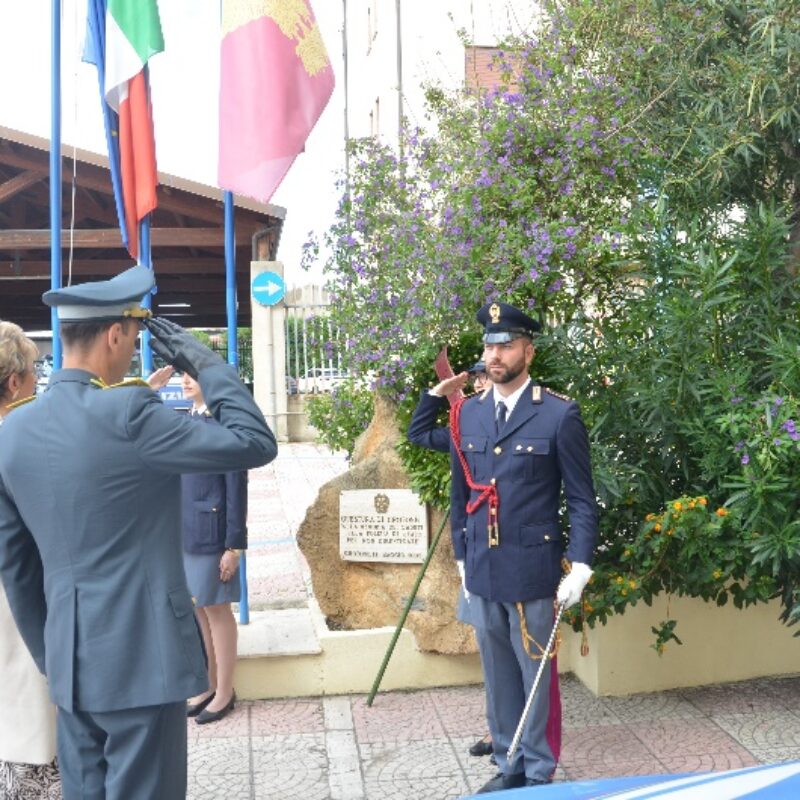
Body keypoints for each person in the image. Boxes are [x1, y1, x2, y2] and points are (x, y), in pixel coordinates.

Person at [0, 265, 277, 800]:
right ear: (114, 334)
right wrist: (201, 360)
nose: (131, 349)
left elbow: (17, 567)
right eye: (131, 336)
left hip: (70, 668)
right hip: (143, 662)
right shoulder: (130, 412)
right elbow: (255, 441)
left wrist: (53, 660)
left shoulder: (15, 431)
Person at [450, 301, 597, 793]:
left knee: (536, 674)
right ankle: (507, 761)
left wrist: (580, 564)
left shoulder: (557, 414)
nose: (495, 355)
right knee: (497, 674)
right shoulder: (468, 413)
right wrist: (460, 554)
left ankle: (537, 771)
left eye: (506, 345)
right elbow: (460, 492)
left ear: (528, 352)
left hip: (532, 567)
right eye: (489, 346)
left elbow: (581, 498)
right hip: (482, 566)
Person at [407, 360, 496, 760]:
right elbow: (419, 434)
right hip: (475, 548)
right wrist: (438, 393)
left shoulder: (527, 422)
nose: (478, 384)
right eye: (476, 378)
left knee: (515, 646)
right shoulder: (464, 427)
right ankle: (499, 726)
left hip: (514, 549)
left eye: (484, 376)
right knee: (489, 642)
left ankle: (516, 730)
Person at [0, 322, 61, 799]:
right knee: (33, 726)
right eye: (36, 373)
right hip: (19, 605)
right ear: (15, 381)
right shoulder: (21, 443)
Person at [180, 372, 247, 724]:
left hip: (213, 533)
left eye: (193, 375)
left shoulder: (224, 424)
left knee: (217, 610)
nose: (185, 381)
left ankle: (224, 691)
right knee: (200, 610)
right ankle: (208, 685)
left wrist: (234, 545)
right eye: (182, 374)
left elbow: (236, 486)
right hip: (187, 532)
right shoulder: (186, 420)